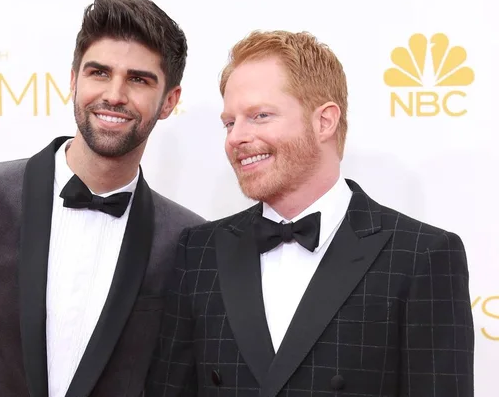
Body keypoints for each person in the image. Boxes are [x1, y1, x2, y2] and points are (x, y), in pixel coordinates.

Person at [0, 0, 204, 397]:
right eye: (99, 72)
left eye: (138, 79)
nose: (114, 94)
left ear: (169, 101)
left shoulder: (186, 239)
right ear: (74, 80)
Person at [146, 30, 474, 396]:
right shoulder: (199, 250)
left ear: (324, 122)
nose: (236, 137)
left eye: (260, 115)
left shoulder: (421, 255)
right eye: (230, 122)